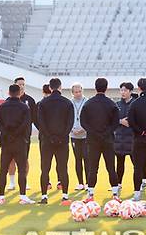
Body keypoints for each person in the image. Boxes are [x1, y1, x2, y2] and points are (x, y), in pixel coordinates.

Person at [80, 78, 121, 202]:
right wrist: (105, 133)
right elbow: (115, 123)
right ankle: (115, 194)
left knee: (93, 168)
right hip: (108, 140)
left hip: (93, 140)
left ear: (95, 88)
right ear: (106, 88)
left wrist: (94, 133)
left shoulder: (88, 103)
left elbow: (83, 122)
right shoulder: (112, 104)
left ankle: (90, 195)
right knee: (111, 167)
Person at [0, 84, 35, 204]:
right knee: (22, 169)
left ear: (8, 92)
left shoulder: (2, 107)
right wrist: (16, 134)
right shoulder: (24, 107)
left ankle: (1, 196)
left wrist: (7, 133)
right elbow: (26, 124)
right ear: (19, 93)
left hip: (6, 142)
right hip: (20, 142)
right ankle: (23, 196)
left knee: (3, 169)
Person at [37, 77, 74, 205]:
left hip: (47, 141)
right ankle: (65, 195)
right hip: (62, 141)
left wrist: (49, 136)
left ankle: (44, 196)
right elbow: (70, 123)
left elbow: (41, 123)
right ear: (60, 87)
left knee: (45, 168)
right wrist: (62, 136)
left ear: (50, 88)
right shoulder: (67, 103)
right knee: (63, 168)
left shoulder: (43, 103)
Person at [8, 77, 37, 190]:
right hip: (11, 136)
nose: (21, 86)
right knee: (11, 159)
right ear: (15, 85)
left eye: (23, 84)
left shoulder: (30, 100)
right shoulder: (8, 101)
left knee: (24, 158)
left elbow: (34, 118)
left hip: (25, 135)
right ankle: (12, 182)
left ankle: (24, 181)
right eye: (19, 84)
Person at [114, 82, 136, 189]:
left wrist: (130, 122)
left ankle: (139, 184)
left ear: (130, 91)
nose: (123, 92)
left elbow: (140, 119)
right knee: (119, 163)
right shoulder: (117, 104)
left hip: (132, 138)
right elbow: (111, 120)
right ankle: (118, 184)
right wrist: (120, 121)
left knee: (136, 163)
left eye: (125, 90)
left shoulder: (135, 104)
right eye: (121, 90)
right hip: (119, 139)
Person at [70, 83, 88, 191]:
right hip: (73, 135)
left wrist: (84, 129)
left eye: (80, 91)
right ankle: (80, 183)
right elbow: (67, 118)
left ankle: (87, 183)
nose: (78, 94)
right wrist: (72, 129)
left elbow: (91, 118)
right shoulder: (69, 103)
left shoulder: (87, 102)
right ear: (72, 93)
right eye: (76, 92)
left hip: (85, 134)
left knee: (87, 159)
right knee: (77, 159)